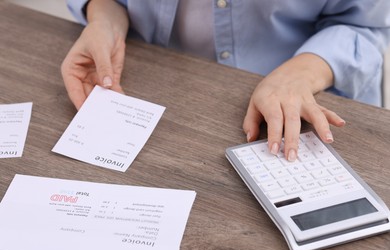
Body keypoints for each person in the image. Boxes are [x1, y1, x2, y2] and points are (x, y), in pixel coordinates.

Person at [62, 0, 390, 161]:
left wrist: (299, 74)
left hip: (308, 104)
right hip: (148, 84)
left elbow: (369, 26)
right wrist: (104, 20)